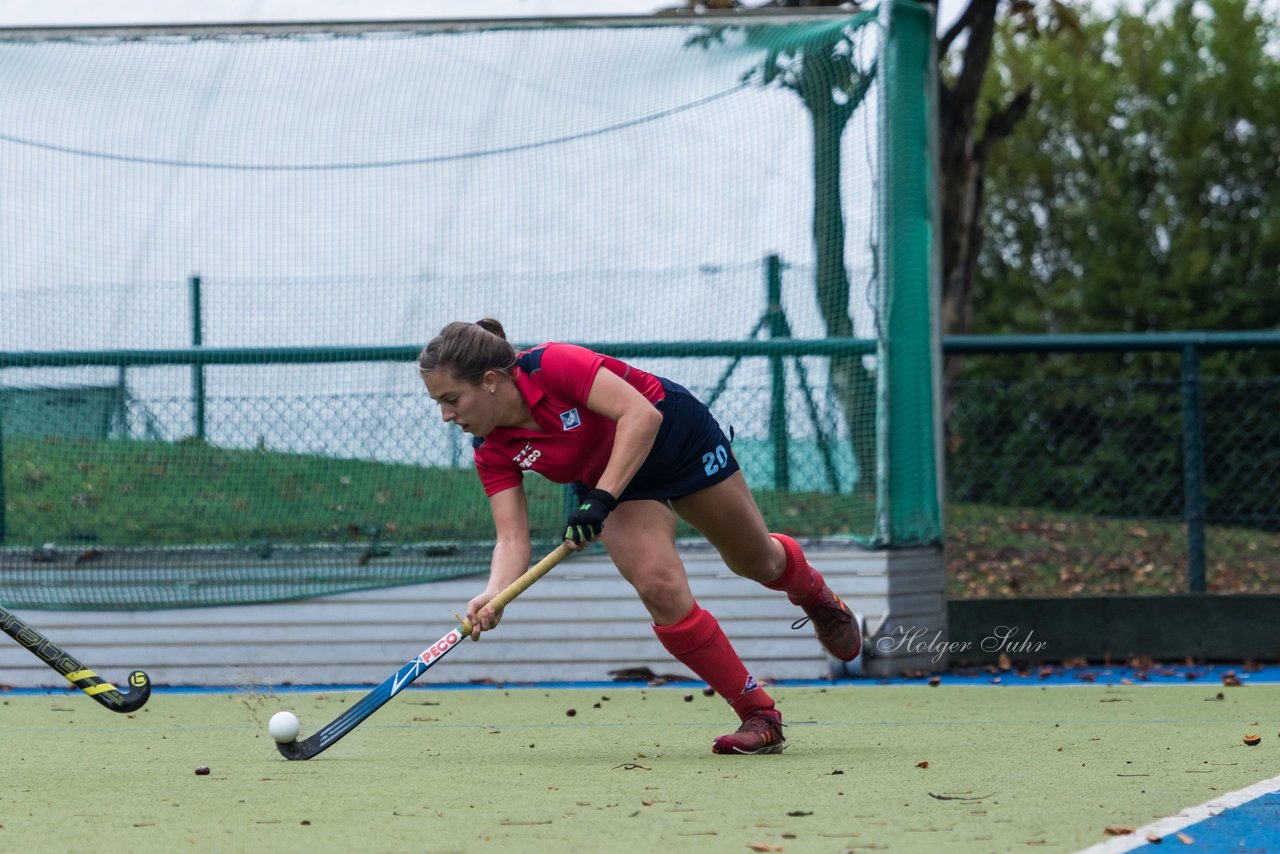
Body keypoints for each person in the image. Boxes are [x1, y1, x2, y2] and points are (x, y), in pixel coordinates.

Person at [418, 318, 860, 755]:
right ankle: (758, 714)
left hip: (675, 439)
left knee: (756, 562)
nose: (446, 415)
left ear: (491, 381)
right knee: (657, 585)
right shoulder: (491, 449)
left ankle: (815, 595)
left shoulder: (553, 364)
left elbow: (641, 415)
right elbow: (511, 540)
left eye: (451, 399)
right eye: (440, 403)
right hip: (611, 485)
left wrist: (601, 499)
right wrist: (494, 595)